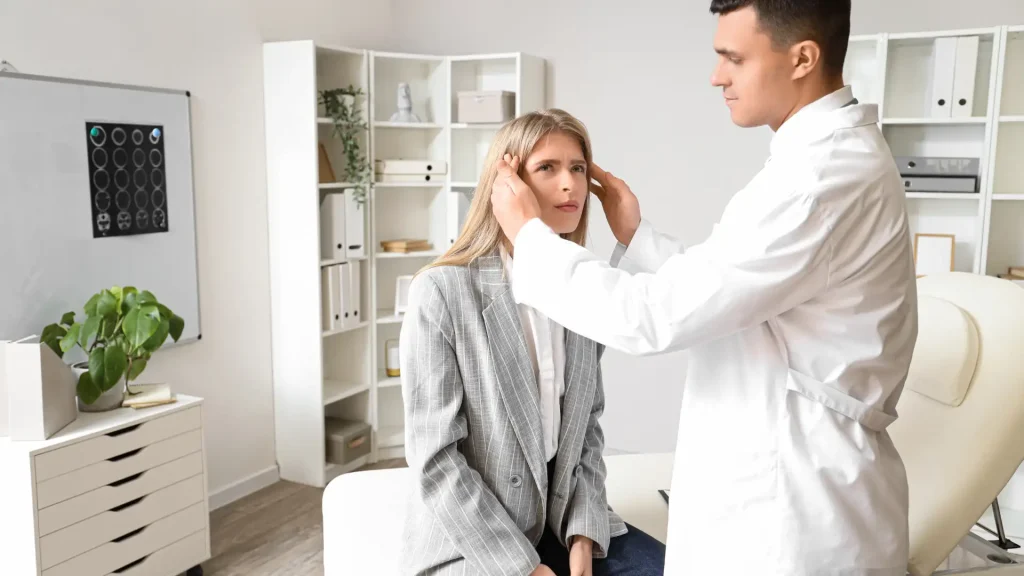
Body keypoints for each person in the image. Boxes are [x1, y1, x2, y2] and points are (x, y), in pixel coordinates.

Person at [489, 1, 919, 575]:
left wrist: (532, 239)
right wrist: (637, 238)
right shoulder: (812, 165)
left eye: (733, 59)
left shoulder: (818, 181)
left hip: (798, 513)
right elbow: (737, 290)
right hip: (783, 486)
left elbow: (655, 317)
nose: (717, 76)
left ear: (803, 58)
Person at [399, 109, 667, 576]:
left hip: (561, 524)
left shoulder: (581, 287)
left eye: (578, 168)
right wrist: (523, 568)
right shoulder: (441, 292)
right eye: (547, 168)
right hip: (478, 538)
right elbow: (436, 460)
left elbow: (586, 430)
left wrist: (584, 536)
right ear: (508, 184)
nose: (571, 185)